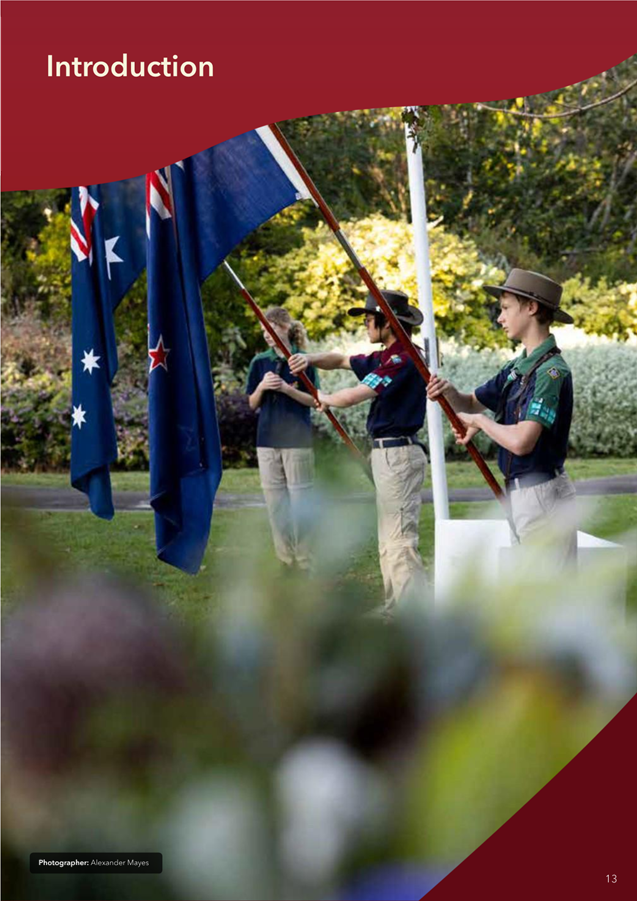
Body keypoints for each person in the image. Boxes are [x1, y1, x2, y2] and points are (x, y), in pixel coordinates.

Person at [290, 290, 428, 615]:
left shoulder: (403, 359)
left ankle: (415, 618)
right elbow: (339, 360)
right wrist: (308, 359)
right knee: (388, 541)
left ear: (388, 323)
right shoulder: (386, 356)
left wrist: (324, 397)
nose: (365, 324)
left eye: (369, 319)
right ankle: (396, 609)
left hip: (398, 453)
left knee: (399, 541)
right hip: (386, 454)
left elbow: (356, 395)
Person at [427, 268, 577, 561]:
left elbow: (523, 441)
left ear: (531, 308)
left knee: (545, 592)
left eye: (506, 308)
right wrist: (449, 392)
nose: (499, 317)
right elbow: (470, 403)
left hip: (541, 495)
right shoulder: (516, 368)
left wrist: (481, 423)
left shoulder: (550, 372)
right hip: (522, 495)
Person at [246, 307, 319, 571]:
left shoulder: (303, 361)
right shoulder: (259, 363)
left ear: (285, 327)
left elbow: (315, 400)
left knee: (300, 504)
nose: (266, 334)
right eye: (263, 329)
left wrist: (287, 389)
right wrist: (262, 387)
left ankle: (304, 561)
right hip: (266, 441)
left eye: (271, 328)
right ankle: (285, 561)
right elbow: (252, 404)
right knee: (276, 504)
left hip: (297, 441)